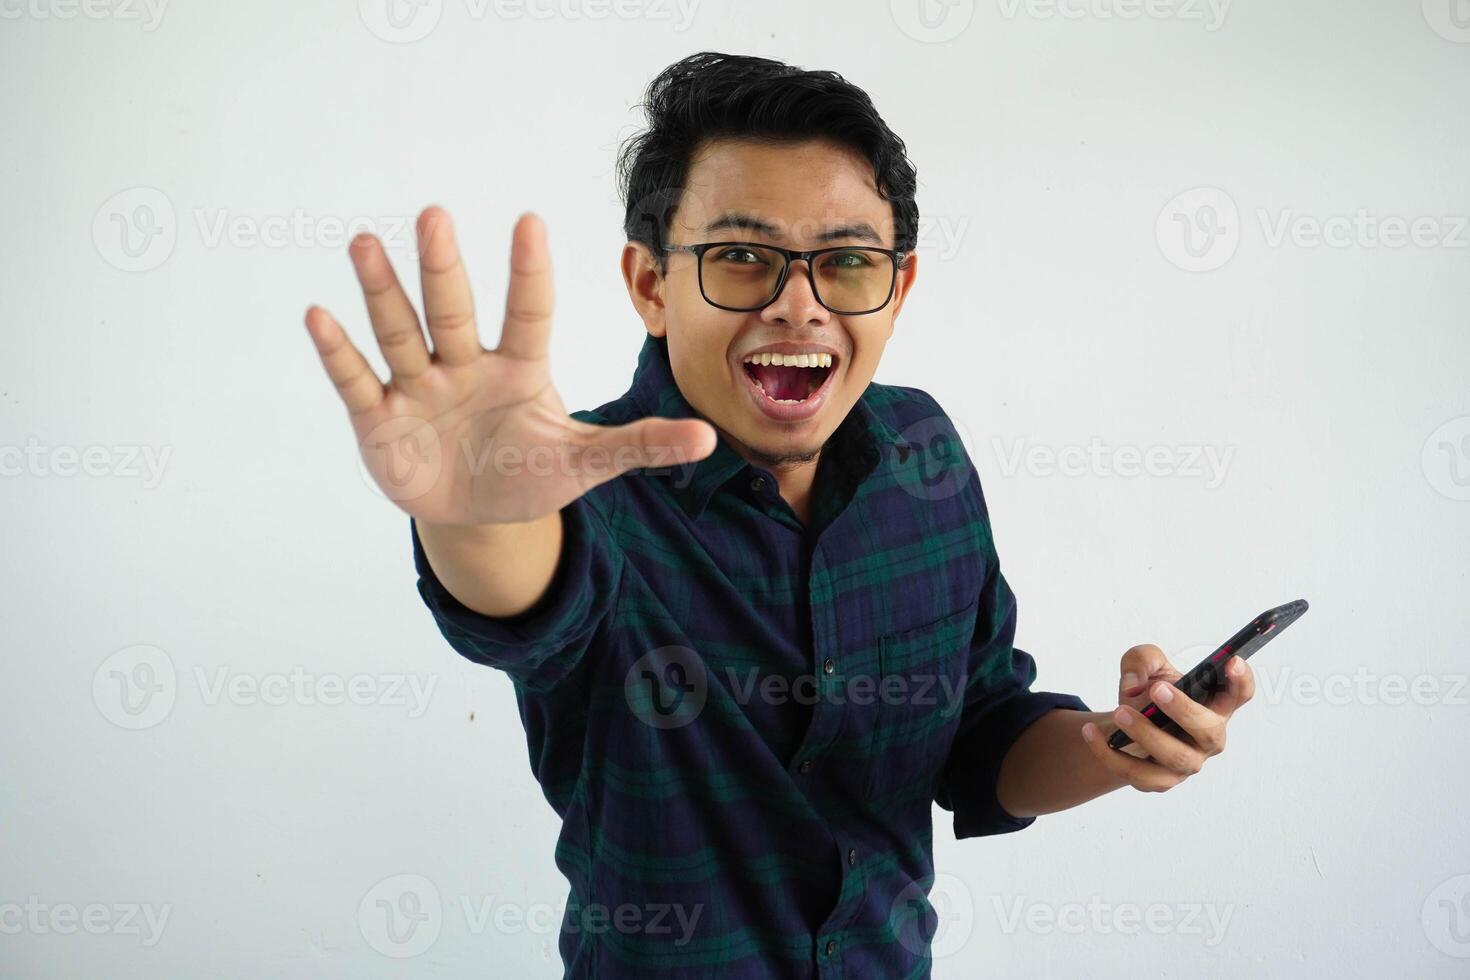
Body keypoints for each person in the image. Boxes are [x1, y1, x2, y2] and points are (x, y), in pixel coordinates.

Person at [303, 50, 1257, 979]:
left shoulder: (923, 451)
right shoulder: (575, 483)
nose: (798, 306)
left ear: (899, 287)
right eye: (744, 257)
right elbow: (519, 591)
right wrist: (471, 514)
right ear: (651, 286)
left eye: (845, 263)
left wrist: (1119, 747)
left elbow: (982, 739)